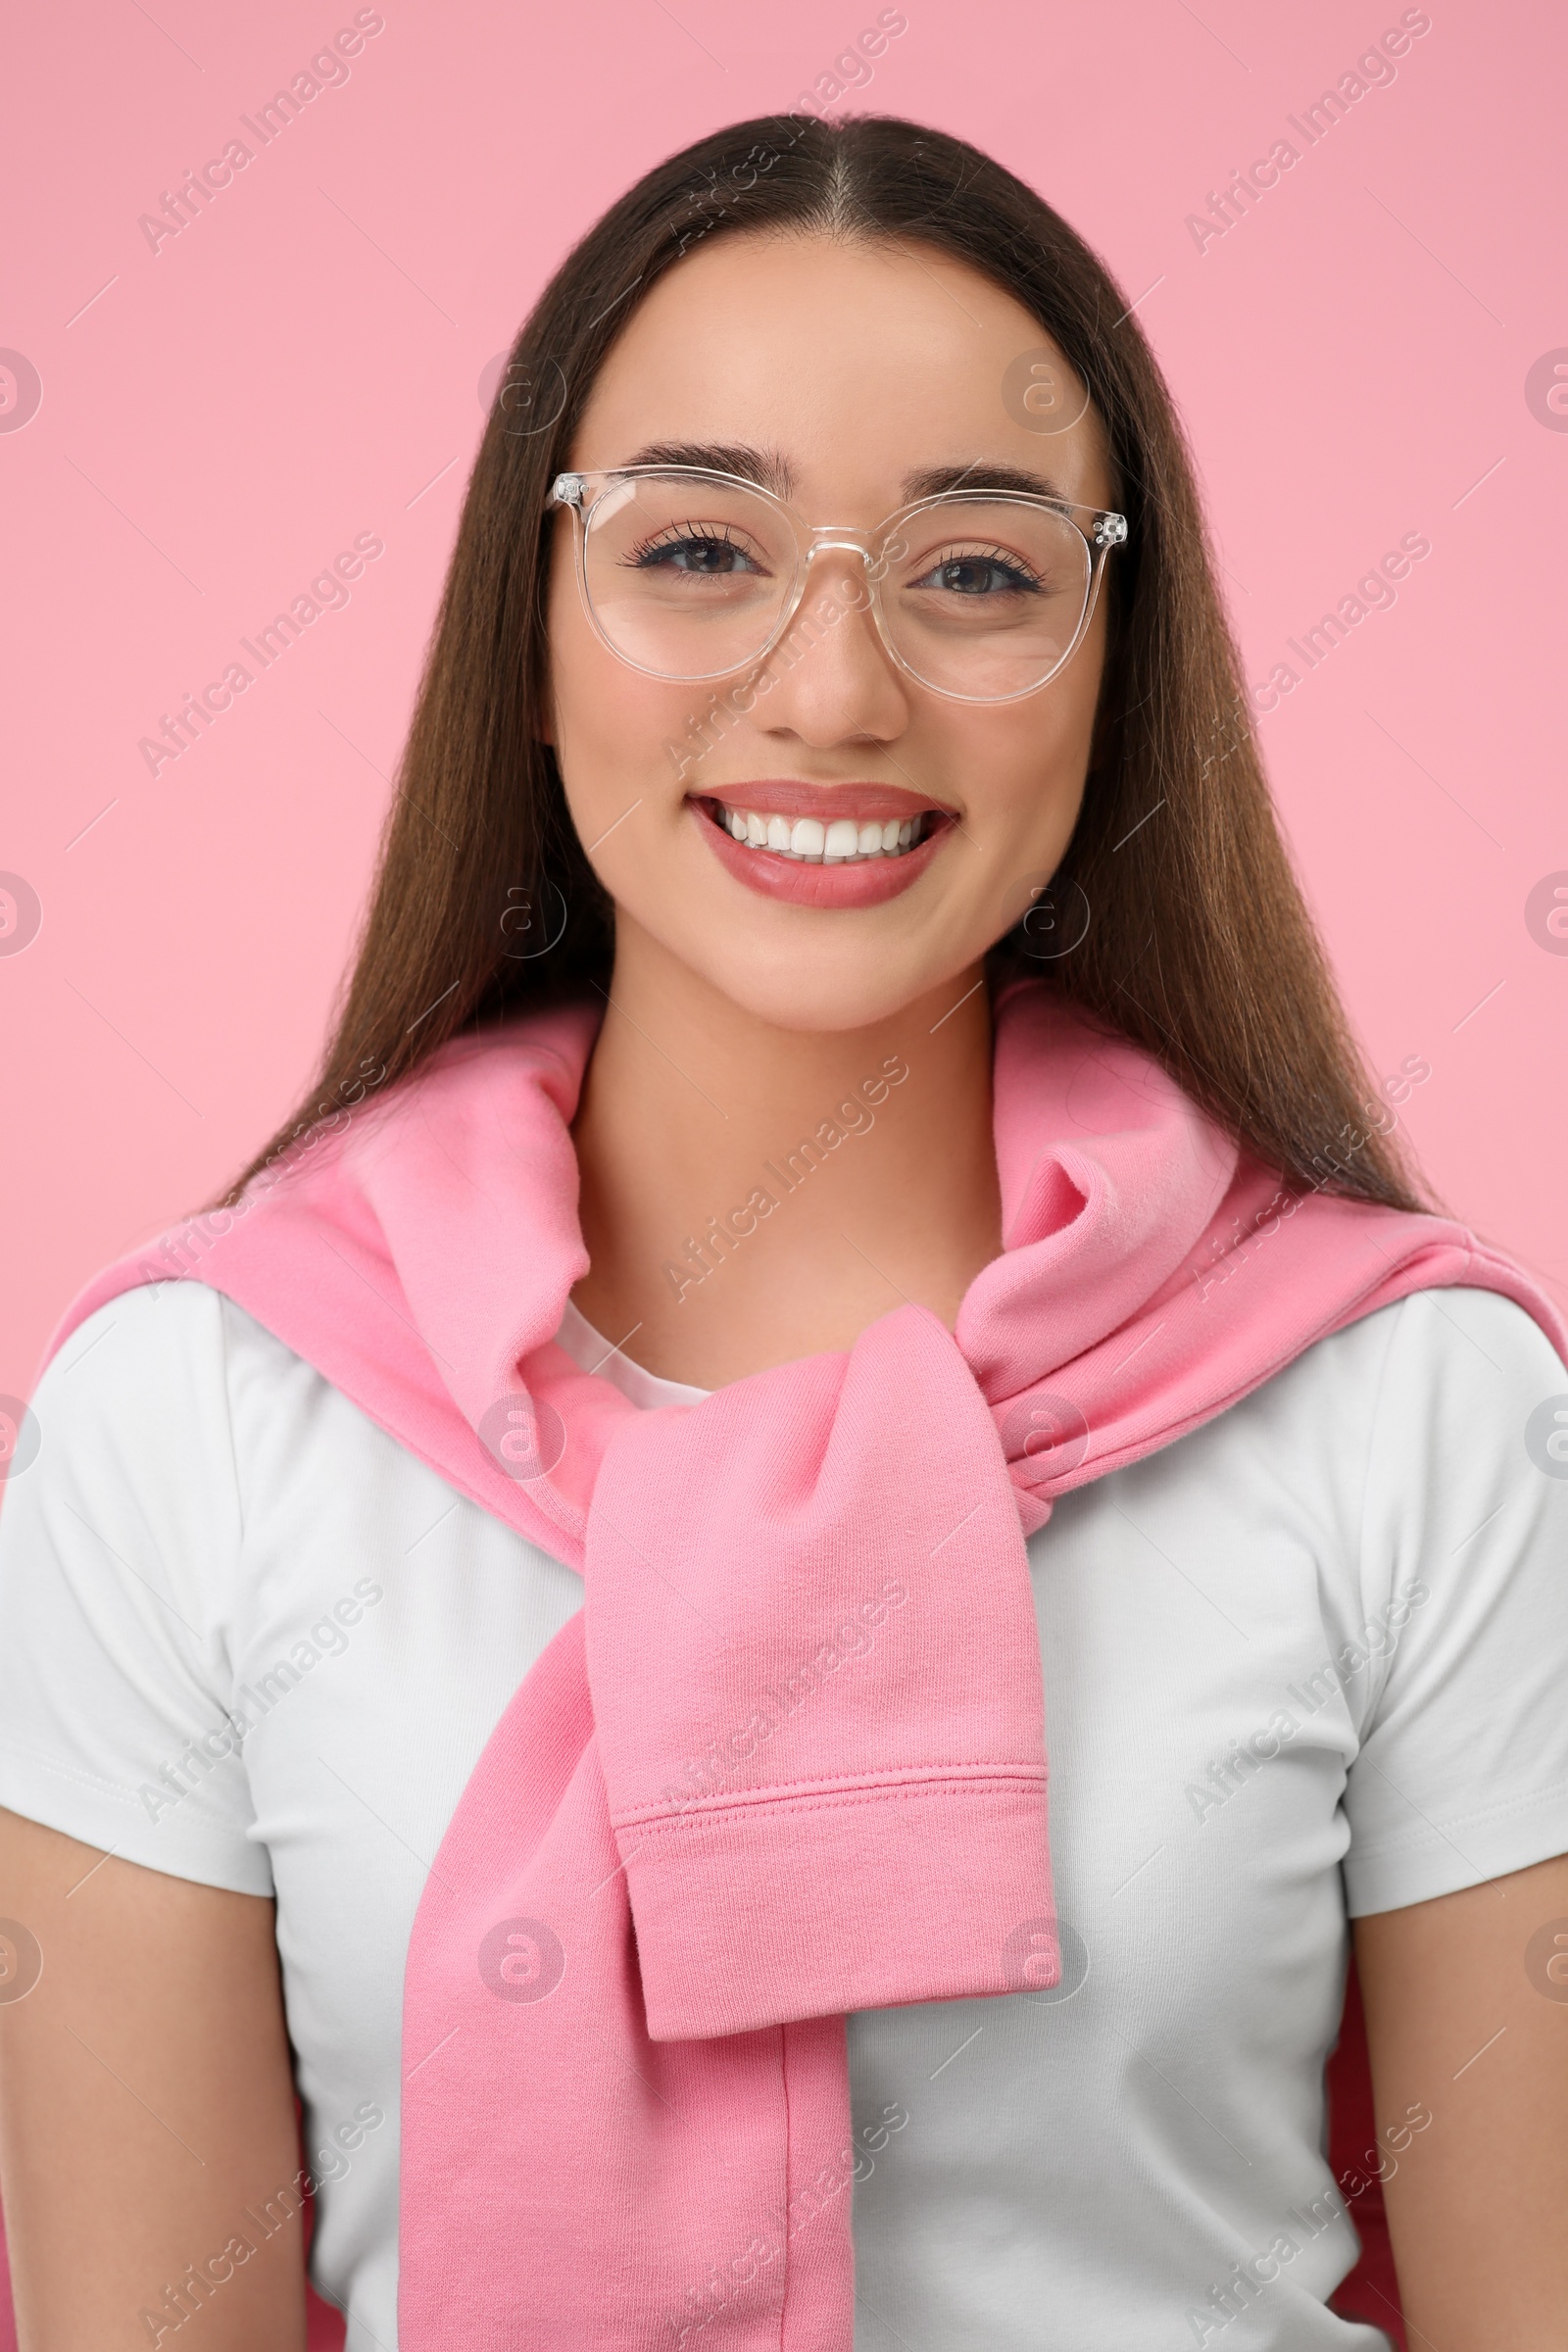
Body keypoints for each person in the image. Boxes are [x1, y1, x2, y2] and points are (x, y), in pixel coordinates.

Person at [1, 112, 1566, 2352]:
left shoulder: (1420, 1410)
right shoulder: (188, 1415)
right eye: (700, 548)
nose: (830, 691)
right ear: (526, 626)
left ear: (1116, 654)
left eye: (973, 572)